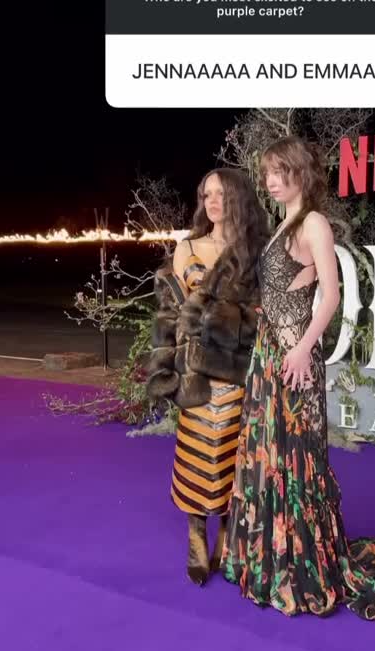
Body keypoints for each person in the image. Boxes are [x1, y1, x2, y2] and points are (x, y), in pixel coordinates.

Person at [220, 136, 375, 620]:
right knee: (271, 454)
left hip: (296, 358)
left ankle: (300, 564)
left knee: (296, 457)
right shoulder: (283, 224)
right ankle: (271, 559)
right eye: (267, 172)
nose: (270, 181)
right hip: (271, 356)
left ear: (301, 173)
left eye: (279, 171)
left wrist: (304, 347)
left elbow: (331, 295)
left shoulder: (314, 223)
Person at [147, 168, 270, 586]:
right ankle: (196, 535)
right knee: (196, 453)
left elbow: (261, 313)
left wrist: (231, 319)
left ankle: (226, 535)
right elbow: (176, 310)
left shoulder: (254, 252)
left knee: (233, 455)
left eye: (221, 194)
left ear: (239, 197)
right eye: (207, 194)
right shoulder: (188, 247)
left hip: (237, 370)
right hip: (197, 370)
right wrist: (166, 367)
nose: (213, 202)